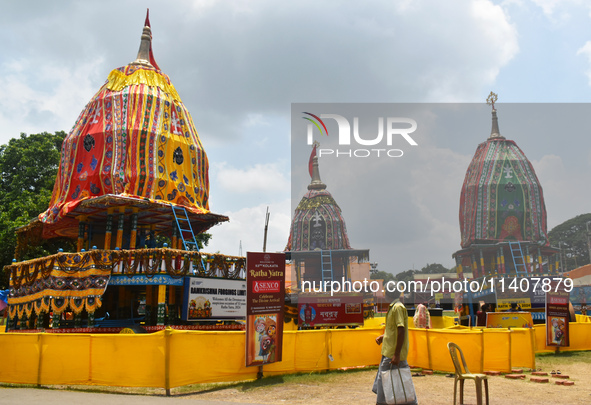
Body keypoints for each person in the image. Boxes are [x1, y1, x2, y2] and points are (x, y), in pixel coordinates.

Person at [373, 290, 418, 405]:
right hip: (388, 352)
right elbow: (394, 330)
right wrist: (384, 336)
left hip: (392, 353)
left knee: (387, 383)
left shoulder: (397, 308)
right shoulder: (393, 307)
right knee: (397, 381)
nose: (384, 295)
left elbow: (401, 330)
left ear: (390, 294)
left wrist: (397, 354)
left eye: (386, 293)